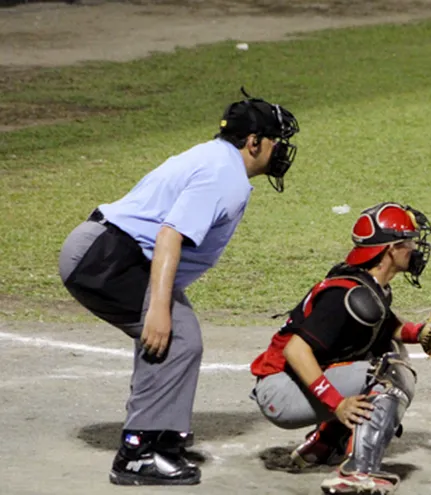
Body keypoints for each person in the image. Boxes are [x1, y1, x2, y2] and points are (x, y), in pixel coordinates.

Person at [58, 88, 299, 485]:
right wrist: (157, 309)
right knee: (176, 338)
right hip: (107, 258)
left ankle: (162, 434)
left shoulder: (217, 159)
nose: (281, 151)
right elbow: (170, 235)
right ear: (254, 142)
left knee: (174, 334)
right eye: (277, 141)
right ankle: (139, 453)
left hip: (113, 252)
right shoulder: (223, 174)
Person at [249, 202, 431, 495]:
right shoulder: (348, 296)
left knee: (386, 348)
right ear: (390, 250)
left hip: (291, 384)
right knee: (388, 372)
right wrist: (337, 403)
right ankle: (356, 473)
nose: (415, 249)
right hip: (280, 392)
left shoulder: (367, 285)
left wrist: (420, 333)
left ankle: (323, 446)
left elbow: (385, 326)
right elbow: (295, 351)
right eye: (408, 241)